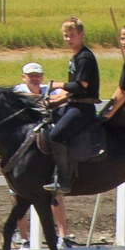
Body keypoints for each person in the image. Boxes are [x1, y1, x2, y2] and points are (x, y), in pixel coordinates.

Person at [12, 65, 71, 245]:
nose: (35, 79)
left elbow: (65, 95)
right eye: (31, 76)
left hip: (43, 147)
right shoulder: (19, 90)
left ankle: (63, 235)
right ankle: (23, 237)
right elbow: (21, 97)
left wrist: (51, 96)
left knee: (54, 191)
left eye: (37, 75)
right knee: (18, 193)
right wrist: (47, 99)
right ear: (24, 77)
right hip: (23, 148)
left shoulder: (47, 89)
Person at [44, 17, 102, 194]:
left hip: (82, 109)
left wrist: (56, 85)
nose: (68, 39)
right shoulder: (75, 58)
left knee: (56, 135)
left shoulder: (84, 57)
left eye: (72, 35)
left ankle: (64, 180)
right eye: (65, 35)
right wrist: (55, 103)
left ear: (81, 35)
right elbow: (72, 92)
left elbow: (81, 85)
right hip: (73, 104)